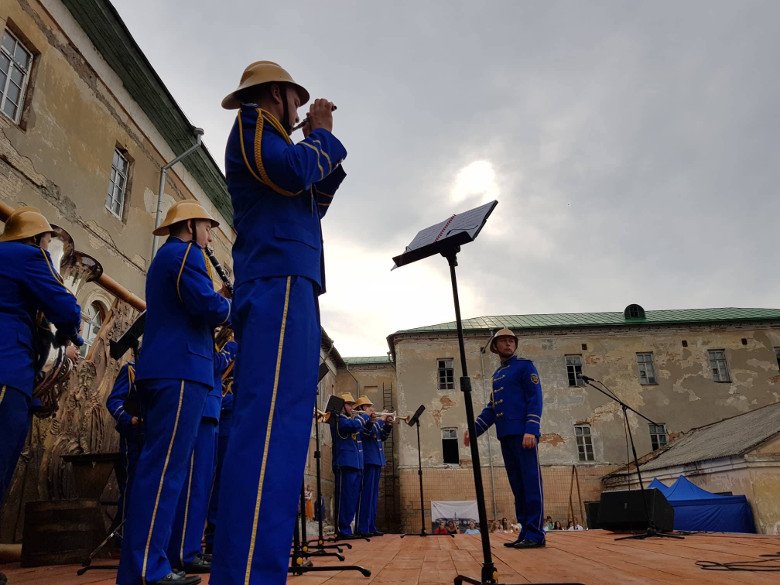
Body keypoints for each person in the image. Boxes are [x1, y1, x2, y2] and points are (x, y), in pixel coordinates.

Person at [211, 60, 347, 585]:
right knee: (269, 429)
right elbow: (292, 172)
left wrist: (322, 149)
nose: (300, 110)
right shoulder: (253, 124)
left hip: (290, 279)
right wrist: (323, 137)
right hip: (278, 280)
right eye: (297, 100)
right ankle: (248, 575)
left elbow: (309, 200)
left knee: (281, 430)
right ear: (278, 95)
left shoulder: (276, 142)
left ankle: (252, 570)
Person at [117, 200, 231, 585]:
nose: (210, 234)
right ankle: (147, 568)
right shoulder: (185, 253)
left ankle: (152, 563)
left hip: (173, 368)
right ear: (191, 225)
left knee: (164, 471)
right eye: (207, 227)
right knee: (164, 472)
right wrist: (230, 303)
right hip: (180, 369)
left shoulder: (174, 257)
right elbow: (207, 306)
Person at [0, 207, 82, 506]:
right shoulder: (31, 257)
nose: (49, 248)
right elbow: (66, 307)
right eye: (49, 241)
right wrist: (72, 331)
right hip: (7, 369)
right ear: (36, 239)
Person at [464, 327, 545, 549]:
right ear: (495, 347)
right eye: (504, 341)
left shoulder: (525, 367)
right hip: (506, 435)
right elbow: (492, 408)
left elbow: (535, 399)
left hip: (523, 434)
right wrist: (474, 429)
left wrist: (531, 429)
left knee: (531, 483)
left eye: (511, 340)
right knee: (518, 486)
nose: (508, 344)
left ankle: (536, 533)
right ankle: (525, 532)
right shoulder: (497, 375)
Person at [167, 333, 237, 574]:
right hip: (204, 408)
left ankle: (191, 548)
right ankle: (184, 552)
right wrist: (232, 346)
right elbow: (214, 365)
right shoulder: (208, 336)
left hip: (210, 412)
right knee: (194, 487)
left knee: (201, 487)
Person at [106, 360, 144, 528]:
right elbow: (113, 401)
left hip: (153, 436)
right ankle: (123, 532)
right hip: (133, 437)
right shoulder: (131, 369)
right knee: (132, 484)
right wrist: (130, 420)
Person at [330, 393, 367, 538]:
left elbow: (360, 431)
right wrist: (362, 416)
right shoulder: (339, 419)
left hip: (355, 463)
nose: (352, 407)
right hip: (344, 462)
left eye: (352, 405)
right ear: (341, 406)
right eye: (349, 404)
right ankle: (342, 529)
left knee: (352, 497)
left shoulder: (349, 419)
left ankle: (347, 527)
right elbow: (352, 426)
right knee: (344, 497)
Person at [355, 395, 392, 537]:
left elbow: (382, 436)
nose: (372, 408)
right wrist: (376, 420)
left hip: (376, 460)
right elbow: (367, 433)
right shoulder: (361, 421)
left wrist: (387, 424)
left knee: (373, 496)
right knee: (366, 495)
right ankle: (363, 527)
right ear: (362, 409)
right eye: (369, 406)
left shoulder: (373, 422)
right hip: (368, 461)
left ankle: (371, 526)